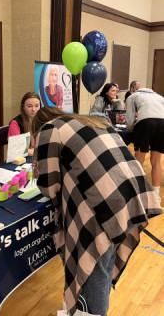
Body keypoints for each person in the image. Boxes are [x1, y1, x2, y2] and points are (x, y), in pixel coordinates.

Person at [32, 106, 162, 316]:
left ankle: (93, 312)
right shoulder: (92, 121)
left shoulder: (49, 129)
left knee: (96, 273)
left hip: (106, 207)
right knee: (105, 263)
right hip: (133, 195)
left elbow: (48, 185)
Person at [125, 87, 164, 204]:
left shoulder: (132, 96)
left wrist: (131, 126)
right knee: (156, 161)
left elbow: (130, 120)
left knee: (139, 161)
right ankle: (156, 197)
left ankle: (139, 194)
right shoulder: (160, 97)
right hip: (163, 123)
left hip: (146, 123)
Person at [8, 92, 41, 156]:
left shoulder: (42, 120)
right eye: (29, 106)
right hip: (21, 160)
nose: (33, 109)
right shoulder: (15, 123)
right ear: (23, 107)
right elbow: (16, 150)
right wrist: (37, 151)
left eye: (37, 106)